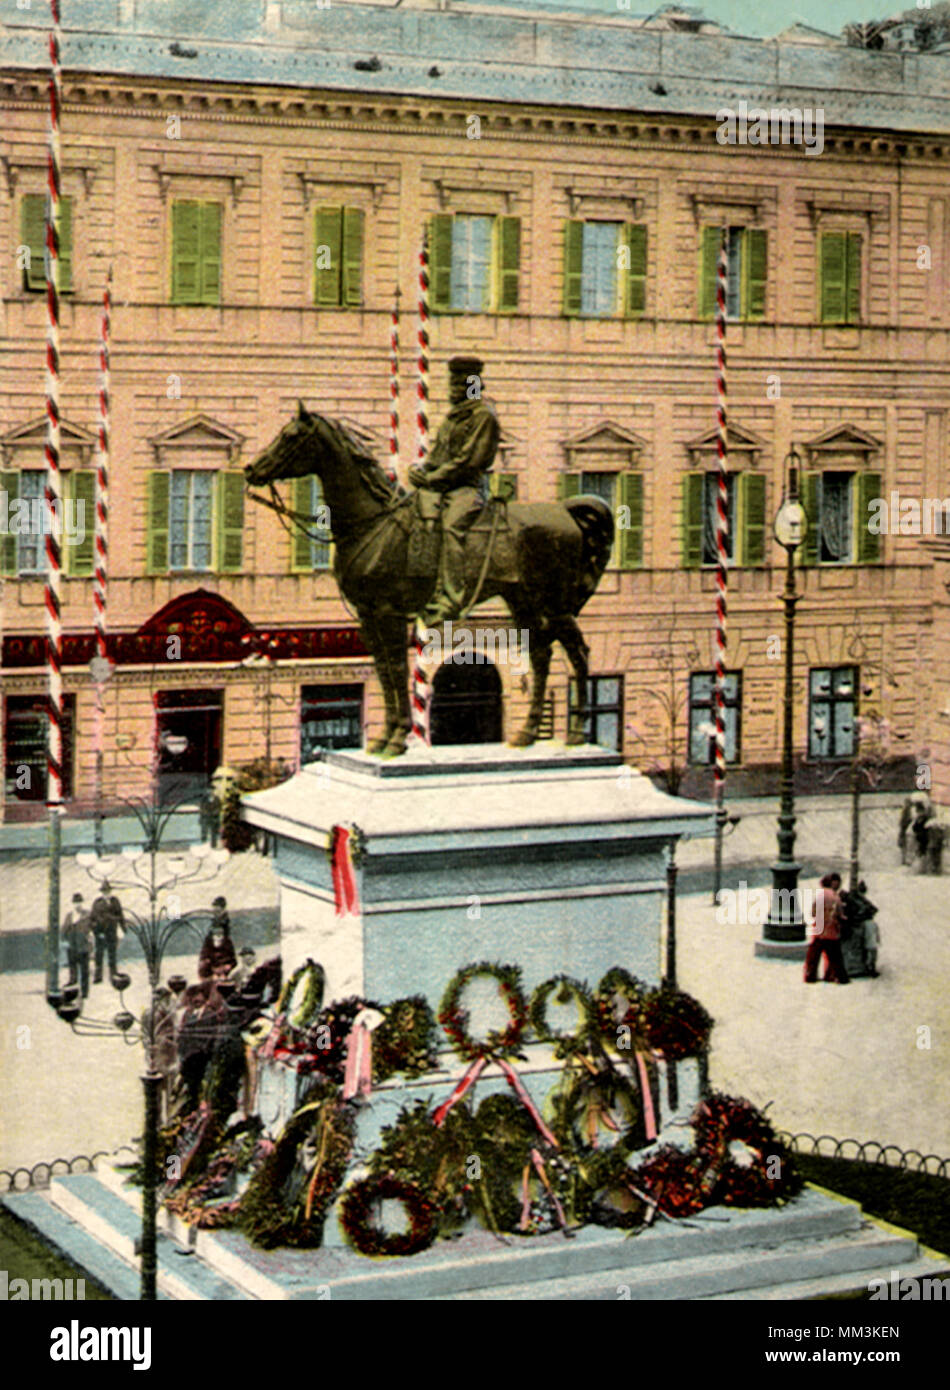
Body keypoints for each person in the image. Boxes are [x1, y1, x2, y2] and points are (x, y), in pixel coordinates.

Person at [408, 355, 501, 625]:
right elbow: (440, 454)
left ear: (472, 385)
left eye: (459, 384)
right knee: (415, 515)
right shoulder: (453, 417)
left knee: (451, 527)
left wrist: (433, 478)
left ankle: (451, 598)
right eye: (451, 383)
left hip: (467, 488)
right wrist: (422, 471)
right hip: (442, 485)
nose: (452, 389)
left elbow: (468, 461)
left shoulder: (483, 416)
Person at [803, 872, 850, 985]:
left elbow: (813, 912)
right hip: (832, 931)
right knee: (835, 956)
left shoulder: (820, 895)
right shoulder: (835, 897)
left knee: (813, 956)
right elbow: (840, 914)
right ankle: (840, 977)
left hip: (819, 931)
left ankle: (810, 976)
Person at [90, 879, 124, 984]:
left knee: (112, 954)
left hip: (112, 932)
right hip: (100, 933)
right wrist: (96, 932)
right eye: (104, 892)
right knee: (99, 955)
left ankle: (113, 974)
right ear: (102, 893)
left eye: (108, 891)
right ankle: (98, 976)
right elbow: (93, 919)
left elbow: (120, 915)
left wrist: (122, 928)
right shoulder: (97, 903)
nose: (106, 894)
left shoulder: (115, 901)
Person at [64, 892, 93, 999]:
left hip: (83, 947)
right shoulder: (69, 916)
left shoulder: (88, 915)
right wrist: (65, 941)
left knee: (84, 971)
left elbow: (93, 926)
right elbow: (64, 930)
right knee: (73, 970)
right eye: (76, 903)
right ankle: (73, 991)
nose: (78, 905)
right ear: (73, 904)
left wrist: (91, 935)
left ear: (82, 903)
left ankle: (85, 993)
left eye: (79, 902)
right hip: (72, 947)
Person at [198, 902, 237, 982]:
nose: (219, 936)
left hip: (225, 971)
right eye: (216, 933)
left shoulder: (227, 942)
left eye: (220, 934)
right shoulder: (208, 942)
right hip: (212, 972)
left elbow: (233, 960)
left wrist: (228, 966)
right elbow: (204, 958)